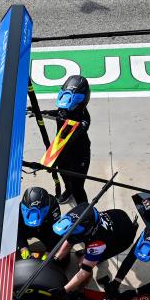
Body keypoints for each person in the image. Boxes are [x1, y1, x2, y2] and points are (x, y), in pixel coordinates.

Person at [50, 203, 135, 296]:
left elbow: (84, 271)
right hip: (118, 216)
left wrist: (64, 290)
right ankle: (89, 254)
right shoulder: (83, 214)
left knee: (82, 263)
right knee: (87, 253)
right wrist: (55, 260)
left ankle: (80, 291)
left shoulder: (97, 244)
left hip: (122, 239)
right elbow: (69, 241)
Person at [53, 75, 92, 204]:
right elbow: (57, 113)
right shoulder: (63, 109)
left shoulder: (84, 118)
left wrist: (68, 121)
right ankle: (68, 191)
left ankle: (85, 210)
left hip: (79, 156)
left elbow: (80, 127)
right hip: (62, 150)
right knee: (64, 176)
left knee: (78, 187)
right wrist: (39, 112)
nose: (64, 111)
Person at [17, 186, 62, 254]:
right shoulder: (20, 207)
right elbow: (16, 229)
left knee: (63, 259)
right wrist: (23, 246)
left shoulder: (53, 204)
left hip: (44, 229)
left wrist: (50, 251)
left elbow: (57, 230)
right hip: (25, 229)